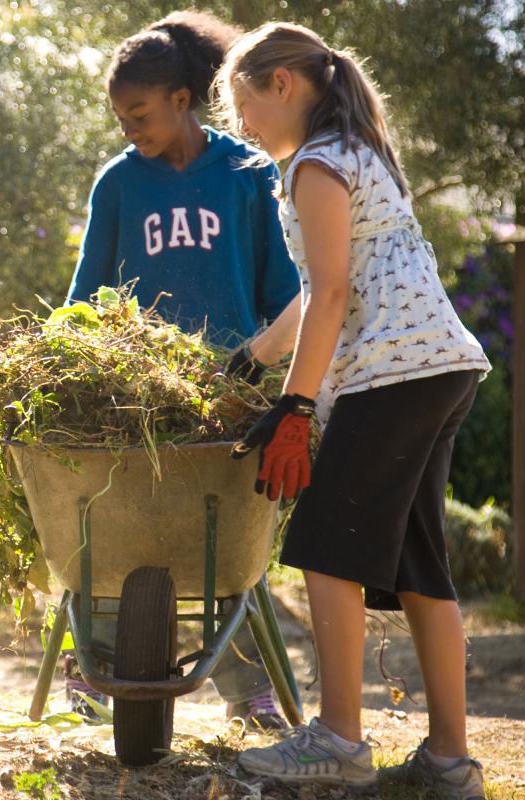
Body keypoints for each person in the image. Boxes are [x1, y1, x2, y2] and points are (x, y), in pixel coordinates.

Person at [217, 21, 491, 799]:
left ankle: (338, 740)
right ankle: (450, 762)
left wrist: (296, 409)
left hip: (391, 377)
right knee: (419, 567)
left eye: (243, 105)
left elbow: (333, 293)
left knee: (323, 548)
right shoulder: (353, 153)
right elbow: (320, 287)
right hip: (439, 369)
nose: (240, 125)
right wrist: (257, 358)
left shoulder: (314, 164)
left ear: (282, 84)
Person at [63, 9, 302, 732]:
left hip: (231, 391)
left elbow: (285, 289)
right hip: (136, 393)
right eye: (119, 117)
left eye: (139, 113)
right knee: (114, 530)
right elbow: (89, 291)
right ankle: (93, 670)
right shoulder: (119, 184)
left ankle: (246, 690)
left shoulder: (247, 173)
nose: (128, 128)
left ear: (180, 98)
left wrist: (282, 372)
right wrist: (67, 357)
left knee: (223, 545)